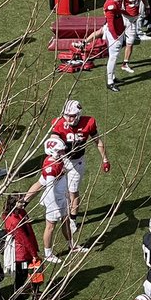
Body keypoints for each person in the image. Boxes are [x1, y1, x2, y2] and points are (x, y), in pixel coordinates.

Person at [49, 98, 111, 234]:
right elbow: (52, 141)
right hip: (61, 158)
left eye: (72, 116)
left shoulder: (88, 122)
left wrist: (105, 159)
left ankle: (72, 219)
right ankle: (24, 202)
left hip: (77, 161)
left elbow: (97, 140)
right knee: (47, 182)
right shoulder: (59, 123)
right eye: (67, 116)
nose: (69, 119)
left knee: (73, 191)